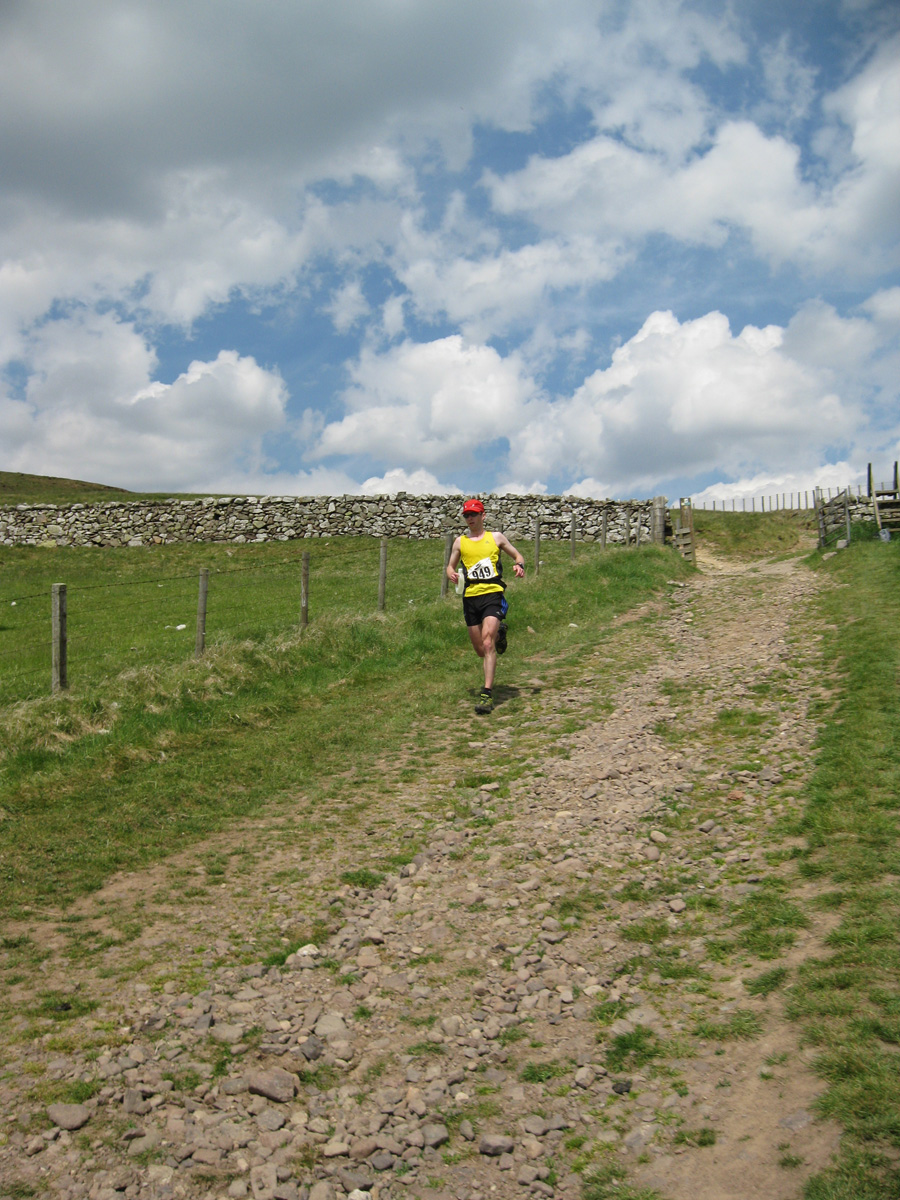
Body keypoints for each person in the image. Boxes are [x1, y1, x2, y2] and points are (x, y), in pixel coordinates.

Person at [446, 498, 525, 714]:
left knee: (488, 642)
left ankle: (487, 695)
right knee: (481, 650)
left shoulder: (496, 538)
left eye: (473, 514)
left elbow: (518, 555)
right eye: (466, 515)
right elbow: (449, 567)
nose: (469, 518)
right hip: (470, 597)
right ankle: (501, 633)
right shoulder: (459, 542)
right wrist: (451, 574)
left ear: (483, 516)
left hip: (492, 593)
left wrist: (519, 564)